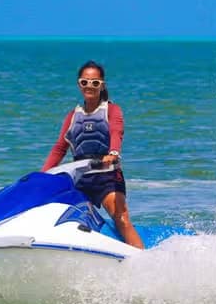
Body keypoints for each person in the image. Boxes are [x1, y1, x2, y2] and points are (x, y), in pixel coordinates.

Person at [41, 60, 145, 249]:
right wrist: (43, 174)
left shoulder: (112, 110)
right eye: (85, 82)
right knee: (58, 214)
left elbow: (116, 131)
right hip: (81, 178)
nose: (90, 86)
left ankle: (143, 258)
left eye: (95, 82)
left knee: (121, 217)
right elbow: (59, 148)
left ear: (102, 85)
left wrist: (113, 153)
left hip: (107, 176)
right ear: (79, 84)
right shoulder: (73, 116)